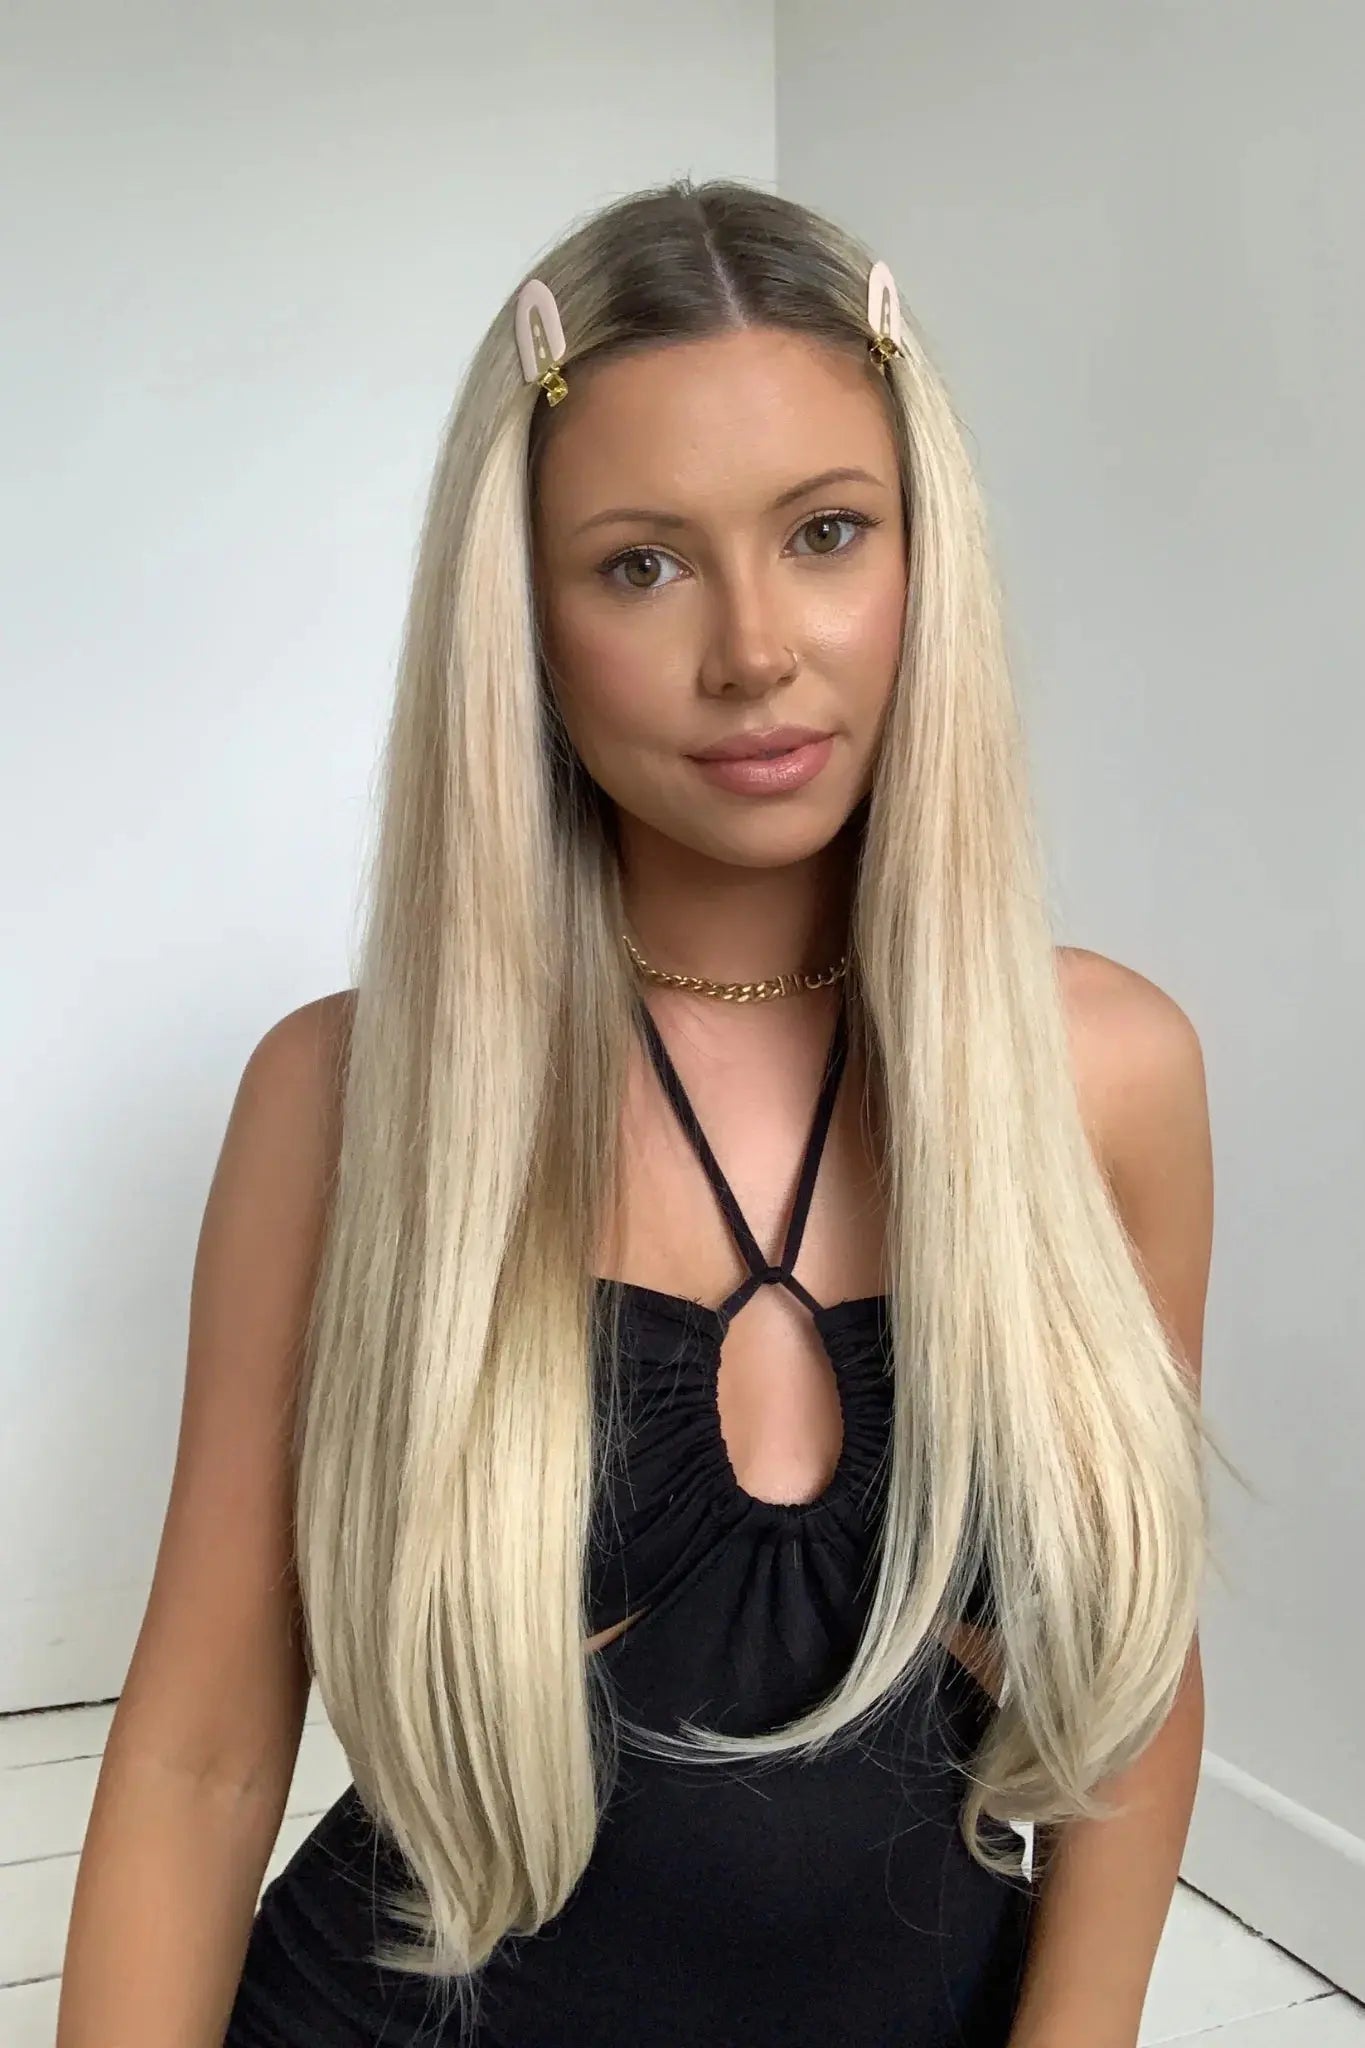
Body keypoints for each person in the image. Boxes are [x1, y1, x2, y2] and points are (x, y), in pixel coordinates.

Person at [58, 176, 1222, 2048]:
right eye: (640, 564)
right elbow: (200, 1756)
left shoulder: (1105, 1079)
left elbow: (1132, 1688)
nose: (754, 648)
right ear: (522, 618)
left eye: (825, 532)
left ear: (923, 557)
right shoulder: (350, 1104)